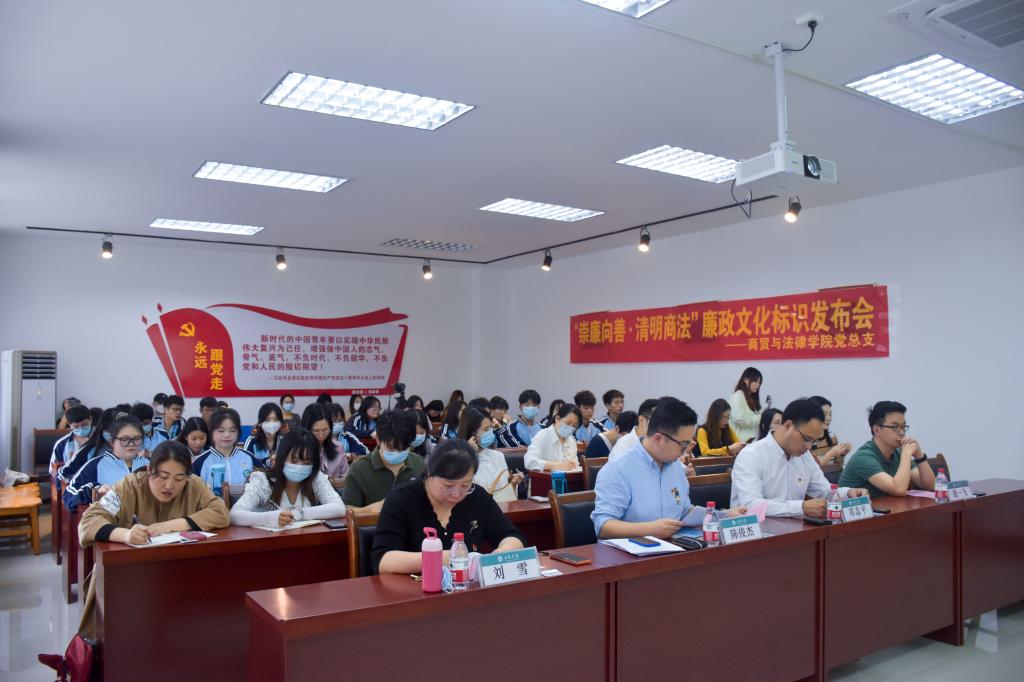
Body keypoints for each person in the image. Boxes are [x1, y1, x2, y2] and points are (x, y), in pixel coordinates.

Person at [77, 440, 230, 636]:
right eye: (163, 476)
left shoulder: (194, 485)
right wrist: (127, 535)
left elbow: (221, 513)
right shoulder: (129, 486)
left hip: (180, 572)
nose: (169, 485)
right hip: (132, 574)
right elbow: (89, 521)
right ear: (149, 470)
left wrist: (170, 525)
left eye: (179, 478)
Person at [592, 397, 746, 539]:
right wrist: (650, 529)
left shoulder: (674, 466)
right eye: (683, 444)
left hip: (671, 549)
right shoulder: (618, 469)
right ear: (659, 439)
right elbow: (603, 526)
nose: (686, 449)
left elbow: (684, 511)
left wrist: (724, 515)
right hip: (628, 554)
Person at [372, 439, 525, 575]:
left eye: (465, 485)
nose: (457, 494)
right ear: (430, 473)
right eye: (448, 486)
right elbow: (383, 560)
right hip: (412, 589)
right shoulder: (401, 500)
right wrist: (442, 558)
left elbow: (512, 536)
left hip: (465, 589)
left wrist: (500, 554)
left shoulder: (476, 496)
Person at [731, 398, 869, 518]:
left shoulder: (805, 457)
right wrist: (801, 507)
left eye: (813, 441)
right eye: (806, 439)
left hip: (796, 531)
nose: (809, 447)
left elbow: (825, 492)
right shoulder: (752, 455)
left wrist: (848, 493)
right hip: (757, 534)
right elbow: (752, 505)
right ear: (788, 426)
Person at [230, 427, 345, 527]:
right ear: (282, 457)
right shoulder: (263, 481)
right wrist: (272, 518)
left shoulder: (315, 478)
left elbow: (339, 508)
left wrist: (299, 514)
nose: (300, 466)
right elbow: (235, 515)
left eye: (307, 462)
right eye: (294, 461)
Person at [839, 401, 936, 497]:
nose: (902, 432)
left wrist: (919, 455)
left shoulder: (898, 452)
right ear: (877, 430)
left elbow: (930, 486)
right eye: (895, 427)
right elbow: (899, 489)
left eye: (903, 426)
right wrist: (906, 454)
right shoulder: (863, 457)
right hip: (857, 507)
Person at [342, 409, 426, 514]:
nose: (398, 453)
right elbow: (347, 511)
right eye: (391, 448)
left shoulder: (418, 463)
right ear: (378, 440)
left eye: (404, 448)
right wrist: (372, 509)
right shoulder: (359, 468)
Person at [64, 414, 150, 511]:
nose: (131, 444)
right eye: (124, 439)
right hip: (110, 518)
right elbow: (68, 495)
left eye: (137, 439)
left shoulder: (150, 465)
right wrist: (94, 490)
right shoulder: (95, 465)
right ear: (112, 441)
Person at [459, 408, 523, 503]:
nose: (490, 432)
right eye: (486, 429)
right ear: (471, 433)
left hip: (501, 508)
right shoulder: (459, 460)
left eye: (491, 428)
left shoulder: (498, 456)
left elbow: (503, 489)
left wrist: (513, 482)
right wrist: (469, 455)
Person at [192, 409, 257, 487]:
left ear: (238, 432)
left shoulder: (250, 458)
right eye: (221, 431)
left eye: (232, 431)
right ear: (211, 432)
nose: (227, 435)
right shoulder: (199, 463)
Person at [59, 408, 121, 484]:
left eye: (118, 431)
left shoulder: (132, 451)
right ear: (101, 430)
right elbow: (65, 473)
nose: (113, 435)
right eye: (108, 431)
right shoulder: (88, 450)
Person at [525, 403, 581, 472]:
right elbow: (529, 462)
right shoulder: (542, 435)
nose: (570, 428)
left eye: (574, 426)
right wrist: (558, 465)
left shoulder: (571, 440)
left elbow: (574, 465)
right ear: (557, 419)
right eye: (568, 423)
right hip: (545, 477)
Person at [302, 404, 348, 479]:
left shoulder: (338, 448)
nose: (321, 435)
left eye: (325, 430)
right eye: (316, 431)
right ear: (306, 429)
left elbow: (345, 478)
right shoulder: (299, 451)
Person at [808, 396, 853, 466]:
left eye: (830, 414)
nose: (829, 418)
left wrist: (842, 454)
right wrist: (831, 454)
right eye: (824, 414)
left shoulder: (832, 437)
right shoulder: (805, 441)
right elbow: (810, 467)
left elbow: (837, 467)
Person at [50, 403, 92, 471]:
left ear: (90, 419)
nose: (81, 428)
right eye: (76, 426)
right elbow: (54, 471)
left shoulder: (99, 439)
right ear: (69, 425)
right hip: (70, 476)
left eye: (84, 424)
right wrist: (70, 464)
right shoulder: (62, 444)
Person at [728, 367, 763, 443]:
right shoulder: (738, 395)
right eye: (755, 381)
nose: (758, 385)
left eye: (759, 382)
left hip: (751, 443)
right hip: (740, 444)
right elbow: (740, 419)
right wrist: (761, 417)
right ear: (745, 380)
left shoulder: (752, 399)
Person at [243, 402, 283, 467]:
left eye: (275, 420)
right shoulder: (252, 440)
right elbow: (244, 463)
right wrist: (268, 463)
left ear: (281, 423)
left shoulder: (284, 441)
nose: (272, 423)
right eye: (267, 420)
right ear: (260, 423)